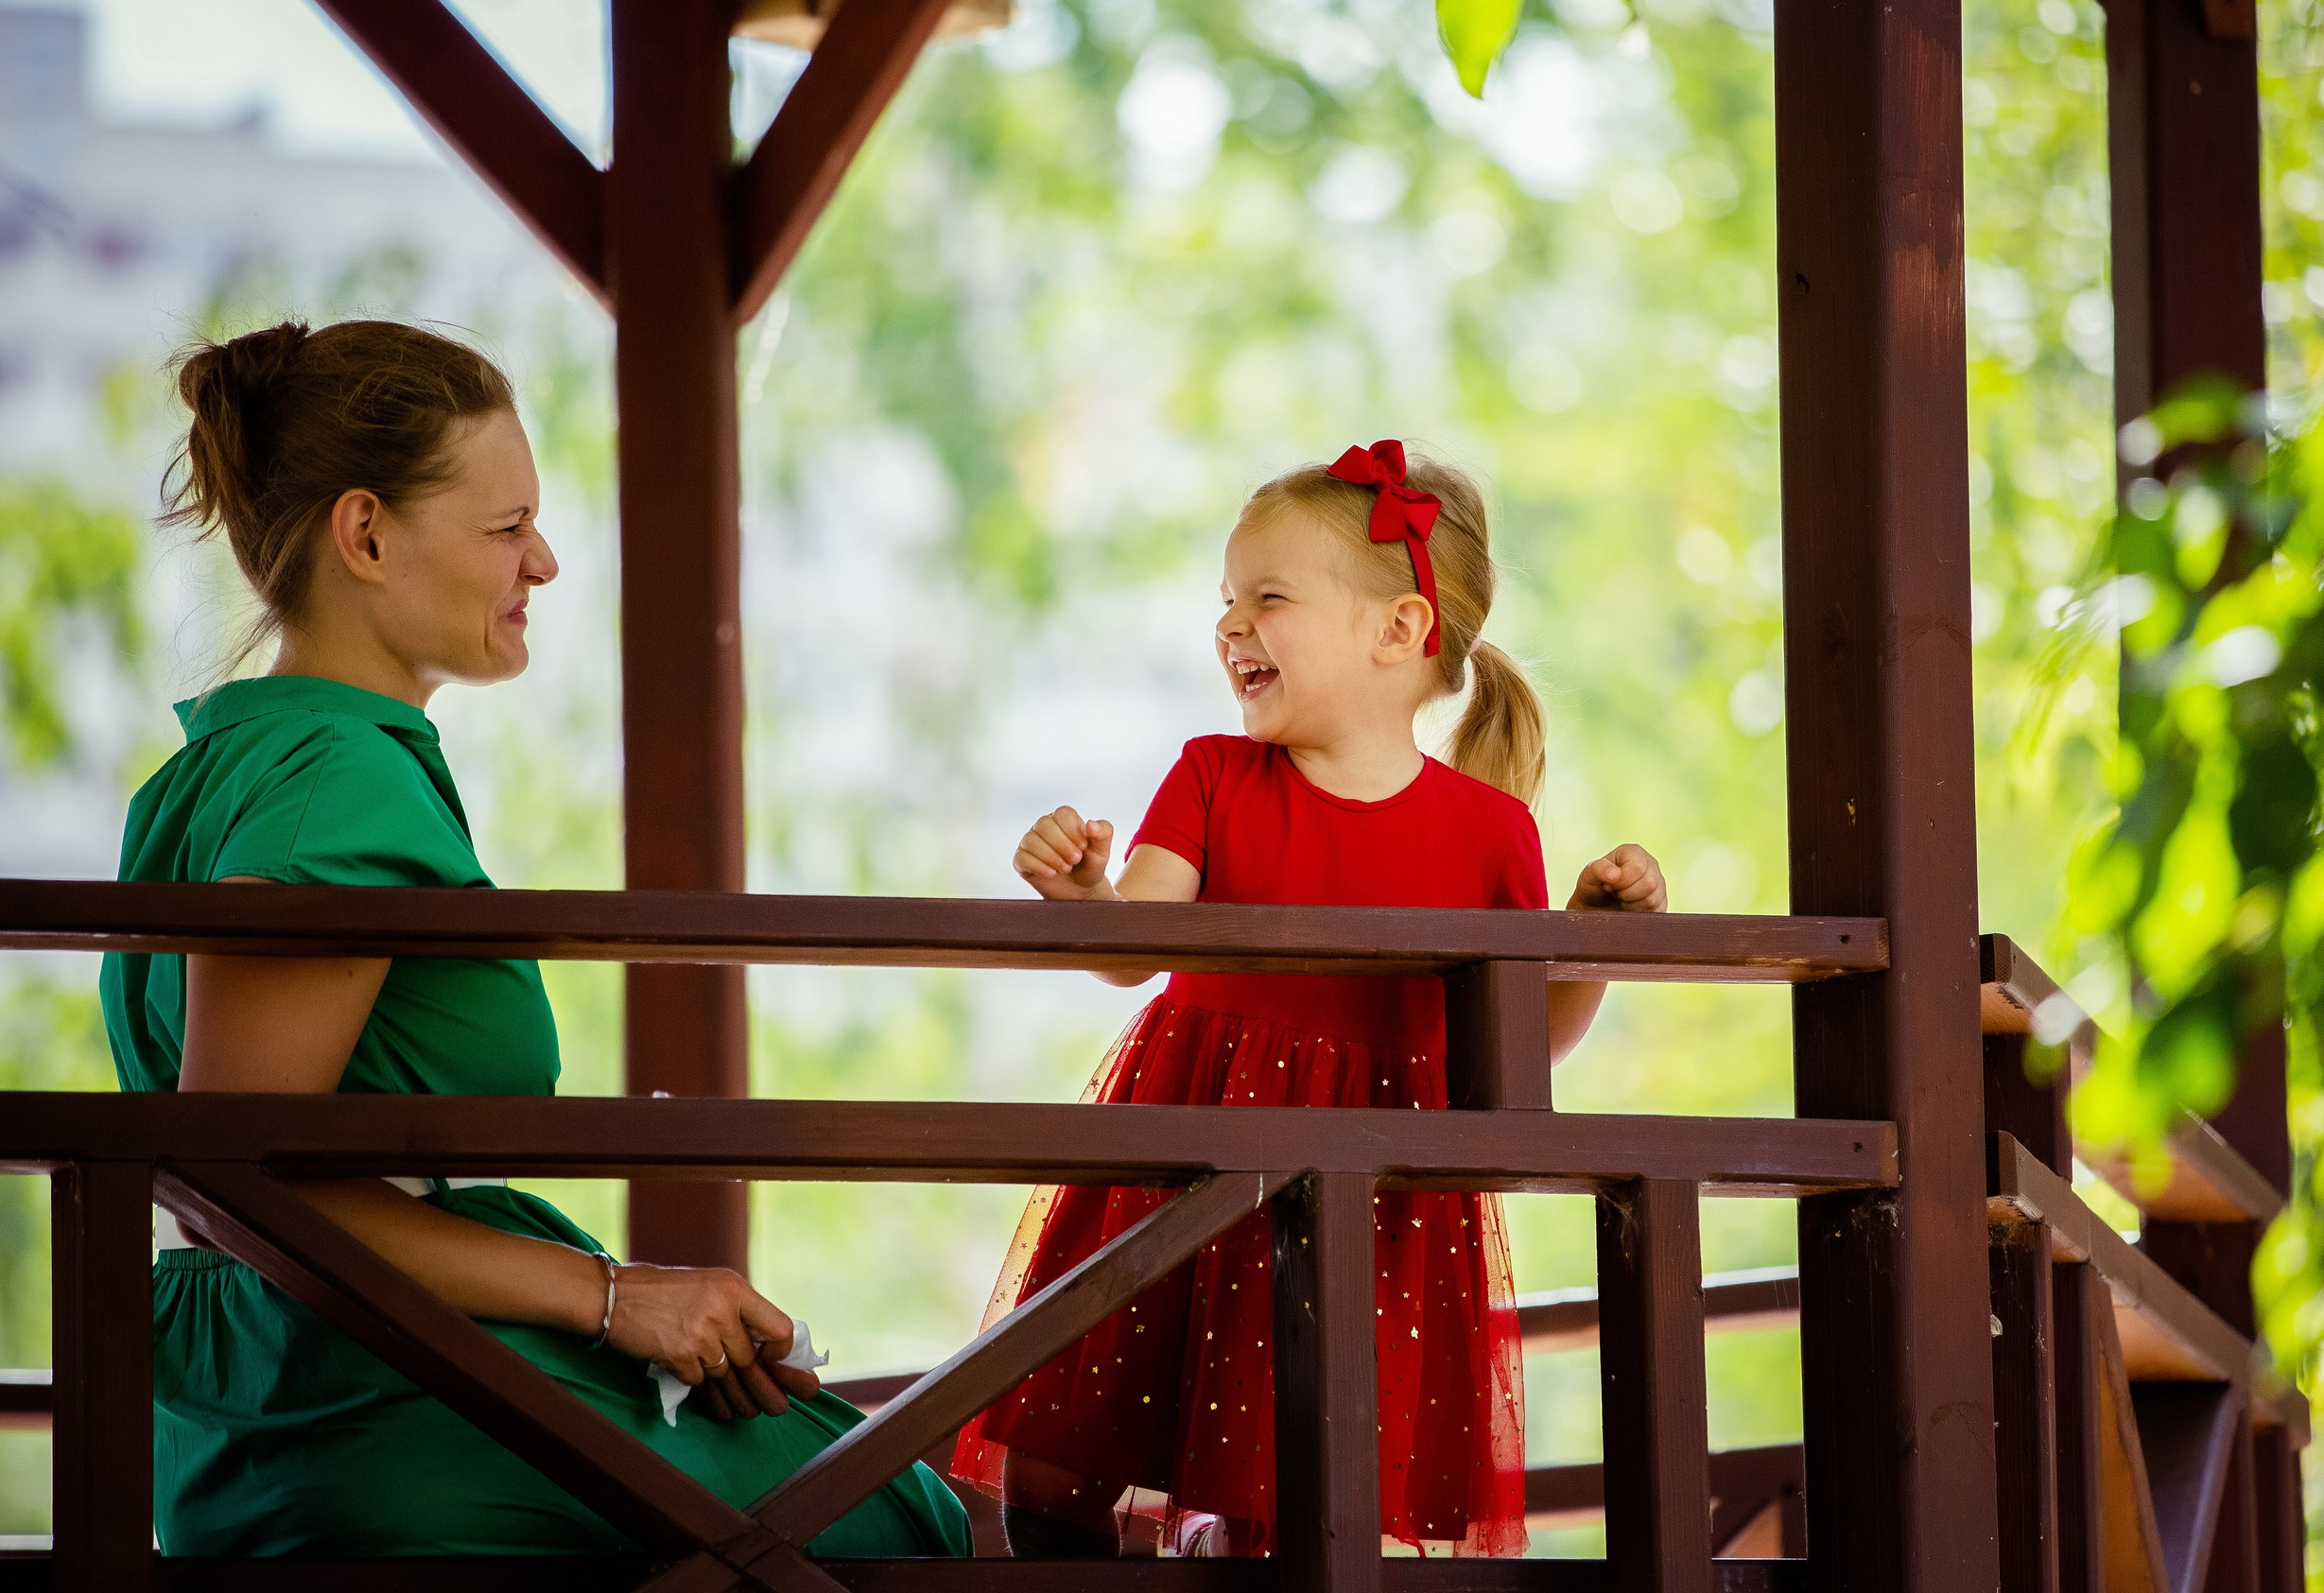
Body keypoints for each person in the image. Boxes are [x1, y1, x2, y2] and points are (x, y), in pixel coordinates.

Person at [99, 319, 970, 1560]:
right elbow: (251, 1190)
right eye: (508, 528)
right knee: (893, 1520)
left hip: (319, 1362)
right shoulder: (334, 780)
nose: (546, 560)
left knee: (856, 1469)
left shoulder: (244, 757)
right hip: (349, 1387)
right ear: (366, 533)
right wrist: (620, 1297)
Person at [948, 441, 1668, 1558]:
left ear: (1397, 632)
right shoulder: (1210, 776)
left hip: (1367, 1191)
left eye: (1267, 599)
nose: (1230, 627)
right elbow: (1133, 947)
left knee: (1288, 1482)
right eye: (1224, 603)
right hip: (1181, 1150)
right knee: (1065, 1448)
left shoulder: (1487, 834)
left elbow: (1522, 1047)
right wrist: (1085, 893)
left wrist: (1594, 946)